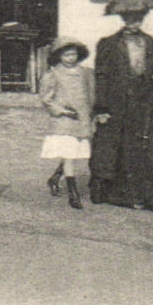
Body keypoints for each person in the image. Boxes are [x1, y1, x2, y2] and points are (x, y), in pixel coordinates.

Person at [91, 0, 153, 212]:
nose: (134, 22)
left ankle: (146, 195)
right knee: (113, 148)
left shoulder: (149, 42)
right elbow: (101, 76)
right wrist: (101, 107)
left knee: (143, 148)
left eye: (138, 18)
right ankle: (114, 194)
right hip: (116, 104)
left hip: (142, 104)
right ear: (122, 19)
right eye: (130, 18)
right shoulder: (108, 44)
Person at [39, 38, 95, 210]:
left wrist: (91, 113)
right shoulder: (54, 74)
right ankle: (73, 194)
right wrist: (61, 110)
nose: (70, 58)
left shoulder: (86, 73)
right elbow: (46, 98)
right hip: (65, 120)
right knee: (70, 154)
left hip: (82, 119)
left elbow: (92, 94)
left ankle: (55, 178)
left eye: (73, 54)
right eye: (66, 54)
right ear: (59, 56)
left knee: (73, 154)